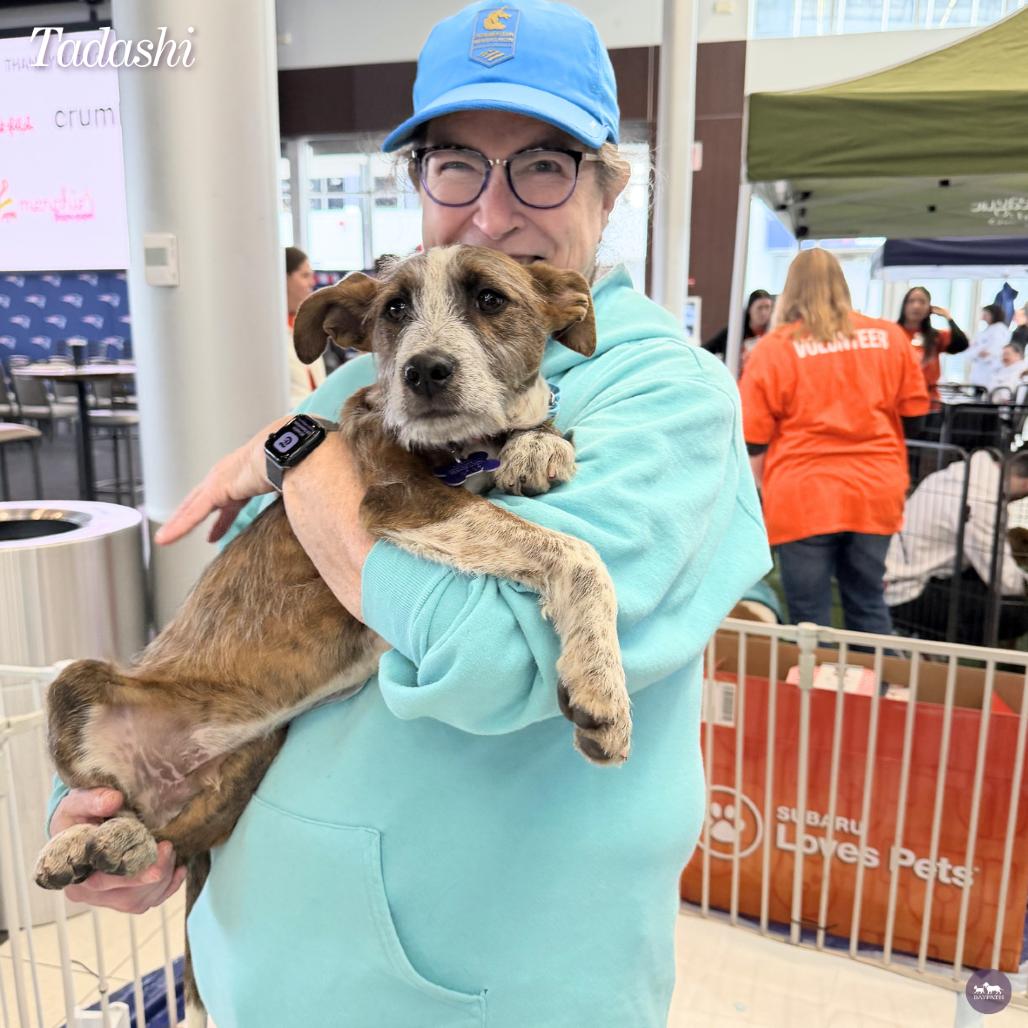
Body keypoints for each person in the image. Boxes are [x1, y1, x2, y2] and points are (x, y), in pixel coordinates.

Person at [46, 3, 771, 1025]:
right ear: (419, 181)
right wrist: (111, 800)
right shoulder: (374, 367)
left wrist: (295, 457)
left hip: (477, 989)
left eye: (543, 165)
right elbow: (225, 620)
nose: (491, 212)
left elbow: (490, 659)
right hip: (262, 964)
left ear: (610, 188)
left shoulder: (663, 392)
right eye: (455, 165)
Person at [740, 248, 929, 633]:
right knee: (868, 601)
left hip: (802, 495)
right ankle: (876, 674)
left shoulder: (774, 349)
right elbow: (916, 419)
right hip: (875, 490)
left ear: (791, 290)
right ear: (842, 285)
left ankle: (819, 675)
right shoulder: (889, 338)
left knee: (809, 618)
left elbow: (754, 438)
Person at [886, 449, 1028, 645]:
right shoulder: (984, 500)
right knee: (1017, 611)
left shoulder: (957, 473)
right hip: (907, 595)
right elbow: (1004, 581)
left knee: (983, 581)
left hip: (897, 577)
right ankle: (935, 646)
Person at [896, 285, 968, 406]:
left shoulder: (935, 336)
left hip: (929, 402)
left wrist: (948, 317)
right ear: (904, 305)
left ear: (929, 308)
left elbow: (962, 343)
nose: (916, 306)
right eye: (911, 301)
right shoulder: (893, 332)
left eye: (922, 302)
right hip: (898, 401)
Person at [285, 246, 326, 406]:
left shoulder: (306, 324)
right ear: (284, 278)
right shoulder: (269, 332)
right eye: (305, 275)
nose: (312, 282)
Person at [702, 288, 773, 367]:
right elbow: (705, 350)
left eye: (767, 307)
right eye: (759, 308)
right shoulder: (735, 331)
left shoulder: (773, 334)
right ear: (750, 309)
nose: (763, 312)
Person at [968, 303, 1011, 391]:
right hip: (980, 370)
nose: (983, 316)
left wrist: (982, 352)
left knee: (986, 392)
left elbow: (993, 351)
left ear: (993, 315)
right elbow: (976, 348)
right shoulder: (988, 329)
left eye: (986, 314)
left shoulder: (999, 329)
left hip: (990, 370)